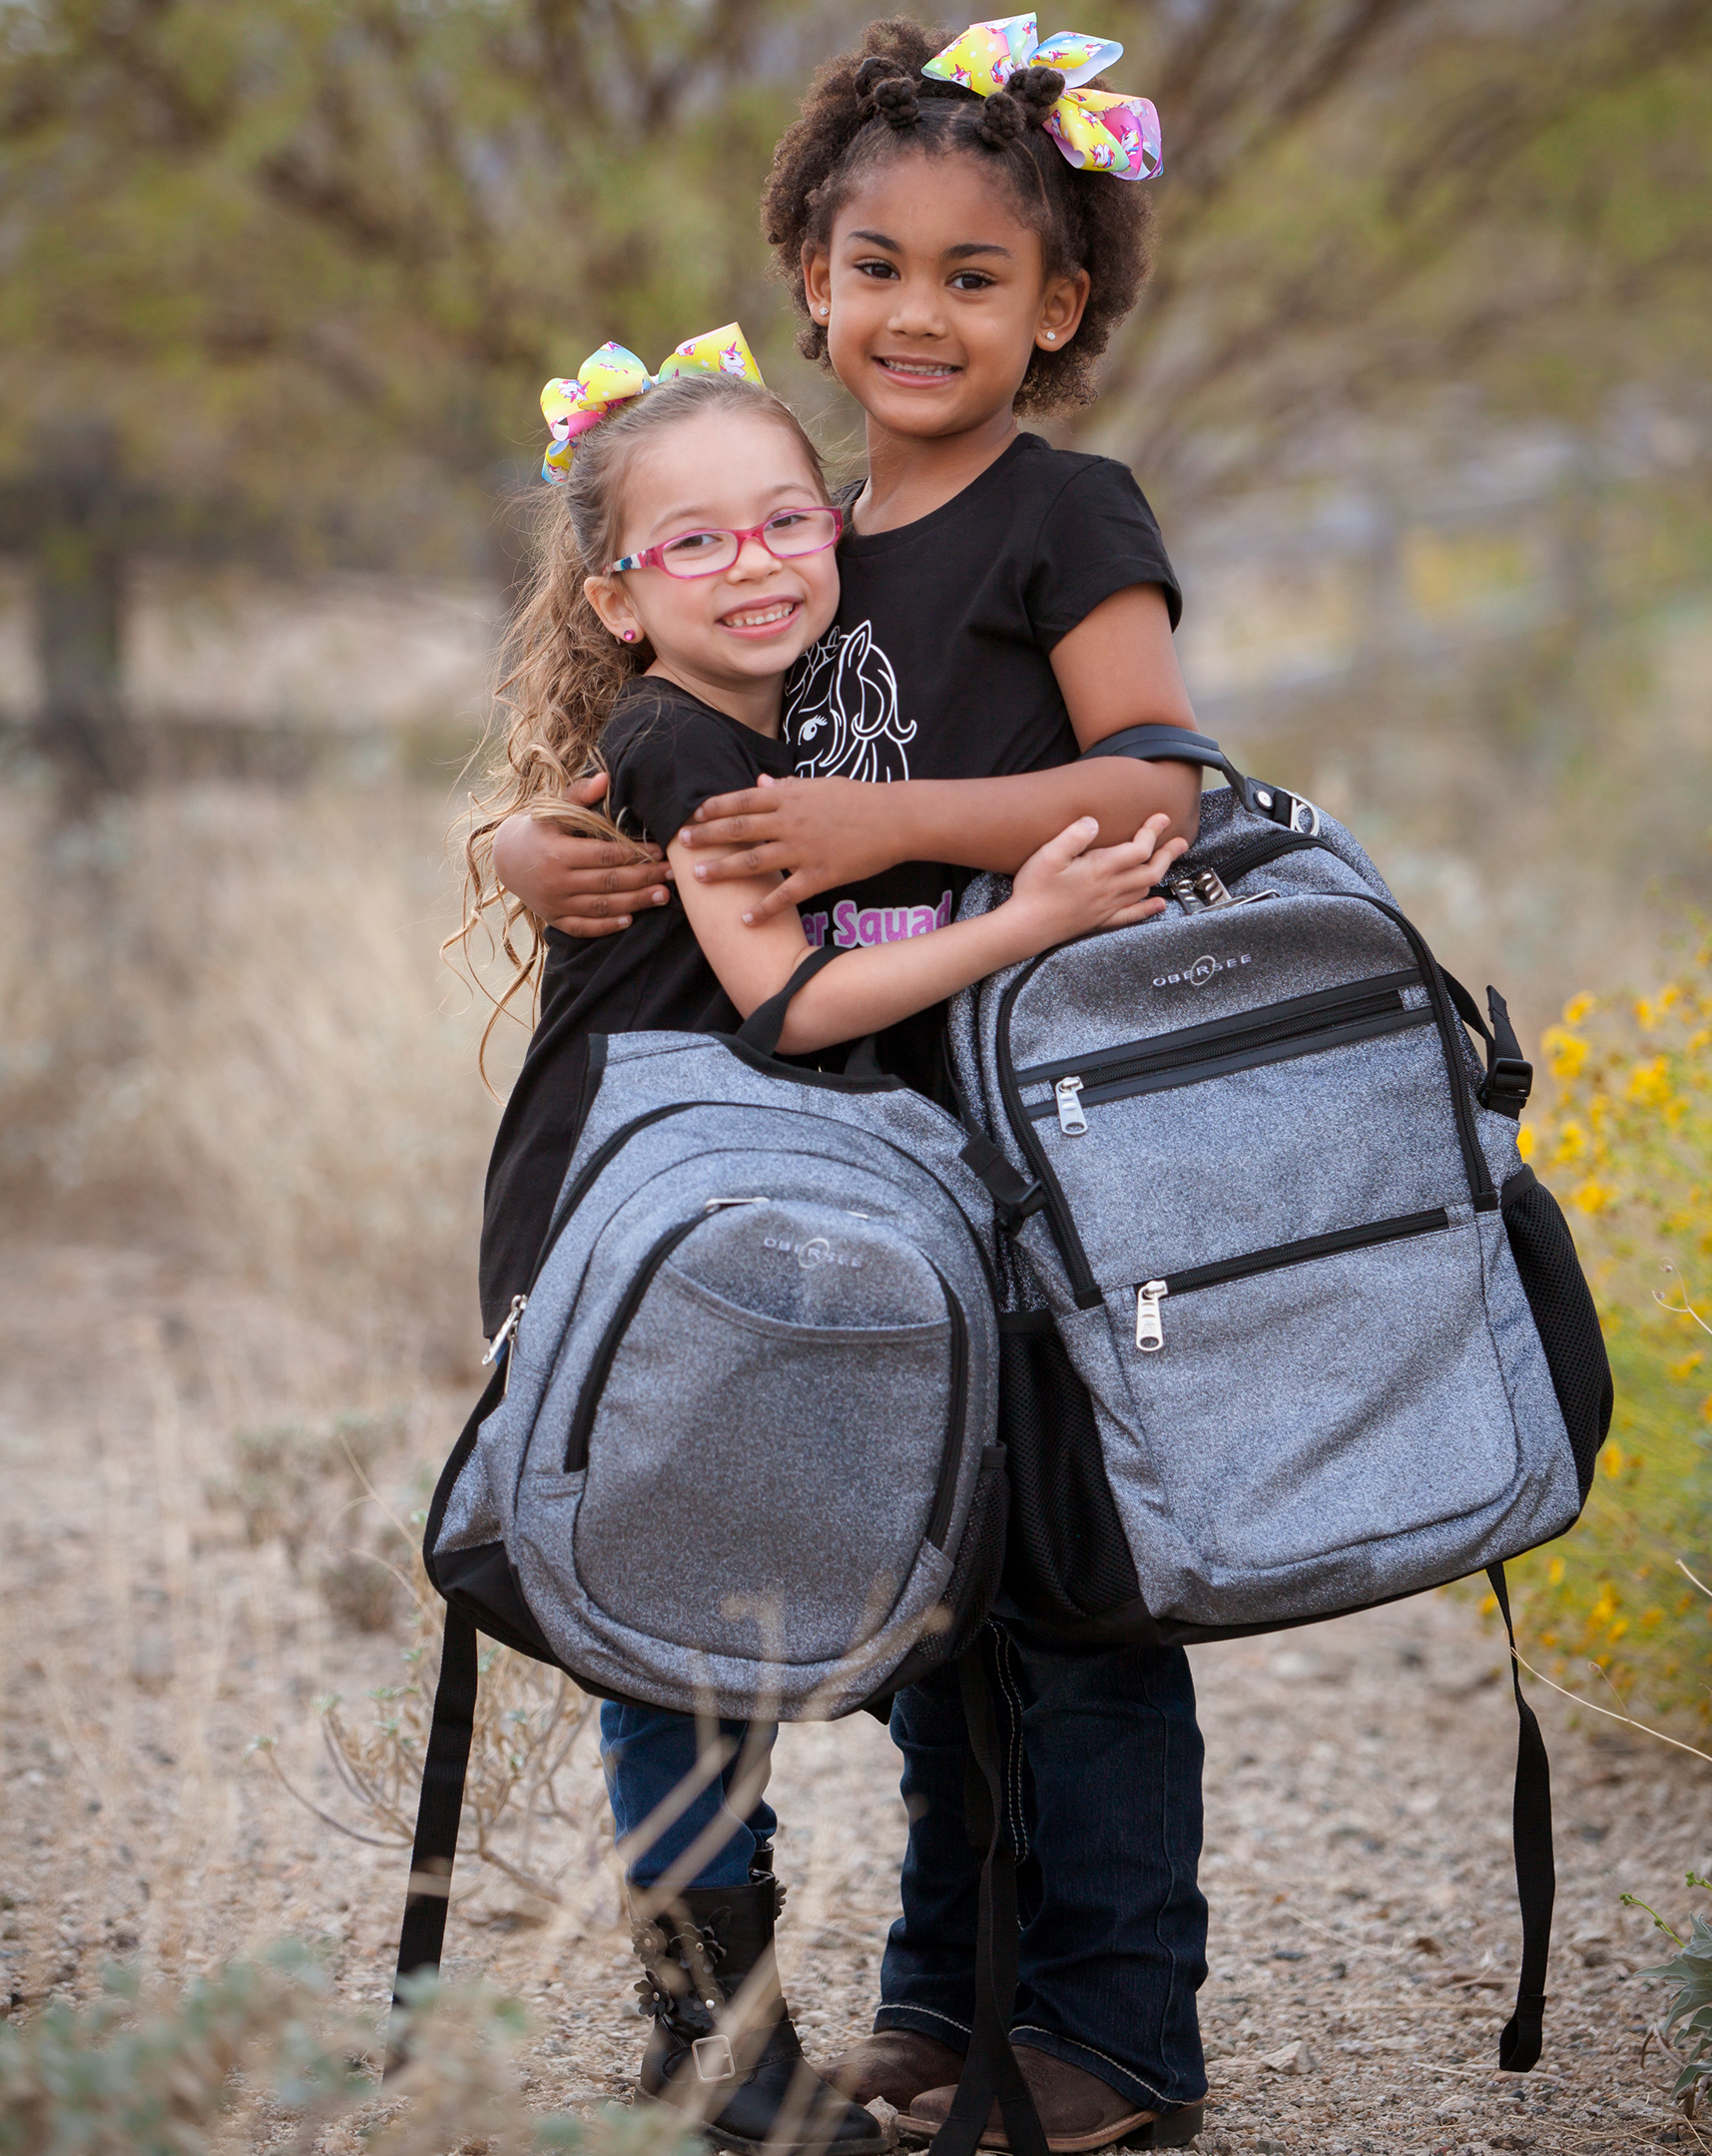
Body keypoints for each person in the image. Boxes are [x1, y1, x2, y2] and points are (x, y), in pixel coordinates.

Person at [495, 18, 1217, 2151]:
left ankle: (1109, 2029)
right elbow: (662, 755)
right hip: (871, 1146)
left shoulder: (1065, 508)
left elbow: (1159, 790)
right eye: (876, 267)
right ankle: (944, 1996)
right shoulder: (798, 538)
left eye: (975, 276)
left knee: (1072, 1591)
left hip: (1046, 1128)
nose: (917, 312)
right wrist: (520, 845)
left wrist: (882, 830)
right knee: (940, 1593)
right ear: (809, 283)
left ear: (1057, 307)